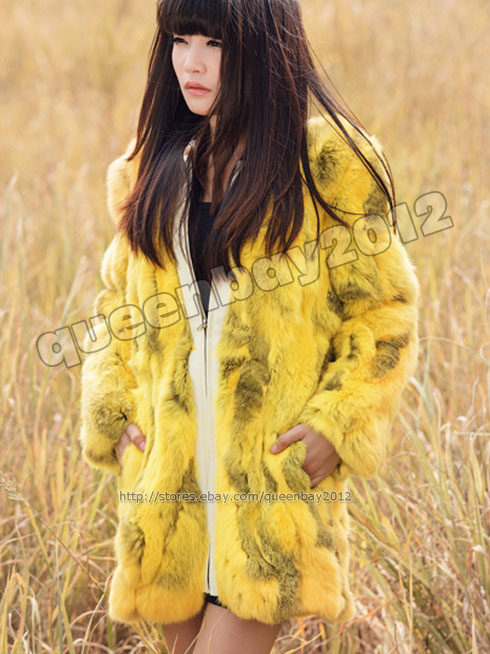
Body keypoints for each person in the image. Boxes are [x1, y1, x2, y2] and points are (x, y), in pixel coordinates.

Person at [78, 1, 420, 652]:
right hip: (169, 505)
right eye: (181, 39)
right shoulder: (151, 173)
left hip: (271, 502)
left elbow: (383, 312)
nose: (192, 63)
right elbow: (117, 307)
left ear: (264, 50)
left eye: (215, 43)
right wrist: (112, 410)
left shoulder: (327, 171)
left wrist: (338, 424)